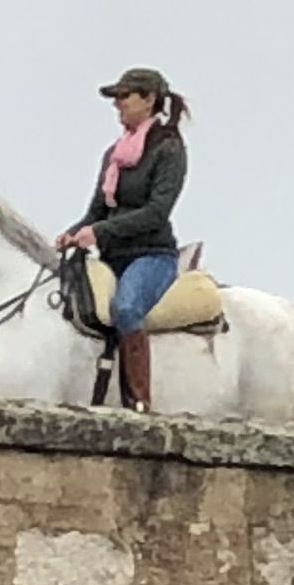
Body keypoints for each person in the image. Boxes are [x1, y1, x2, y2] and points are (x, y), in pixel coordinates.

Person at [55, 65, 188, 410]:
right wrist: (72, 233)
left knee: (127, 308)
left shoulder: (169, 149)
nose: (118, 105)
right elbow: (97, 210)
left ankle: (139, 401)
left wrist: (98, 232)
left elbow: (156, 212)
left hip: (151, 255)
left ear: (149, 100)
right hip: (113, 256)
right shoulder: (114, 156)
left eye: (124, 97)